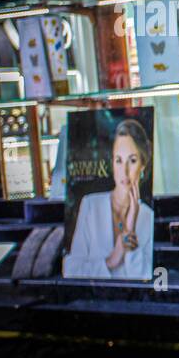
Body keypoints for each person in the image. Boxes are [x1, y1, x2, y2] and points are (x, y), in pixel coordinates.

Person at [63, 118, 154, 279]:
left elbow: (144, 277)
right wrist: (111, 261)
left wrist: (130, 227)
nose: (124, 170)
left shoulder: (148, 216)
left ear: (142, 165)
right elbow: (71, 269)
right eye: (118, 160)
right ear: (112, 163)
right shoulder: (91, 205)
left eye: (132, 160)